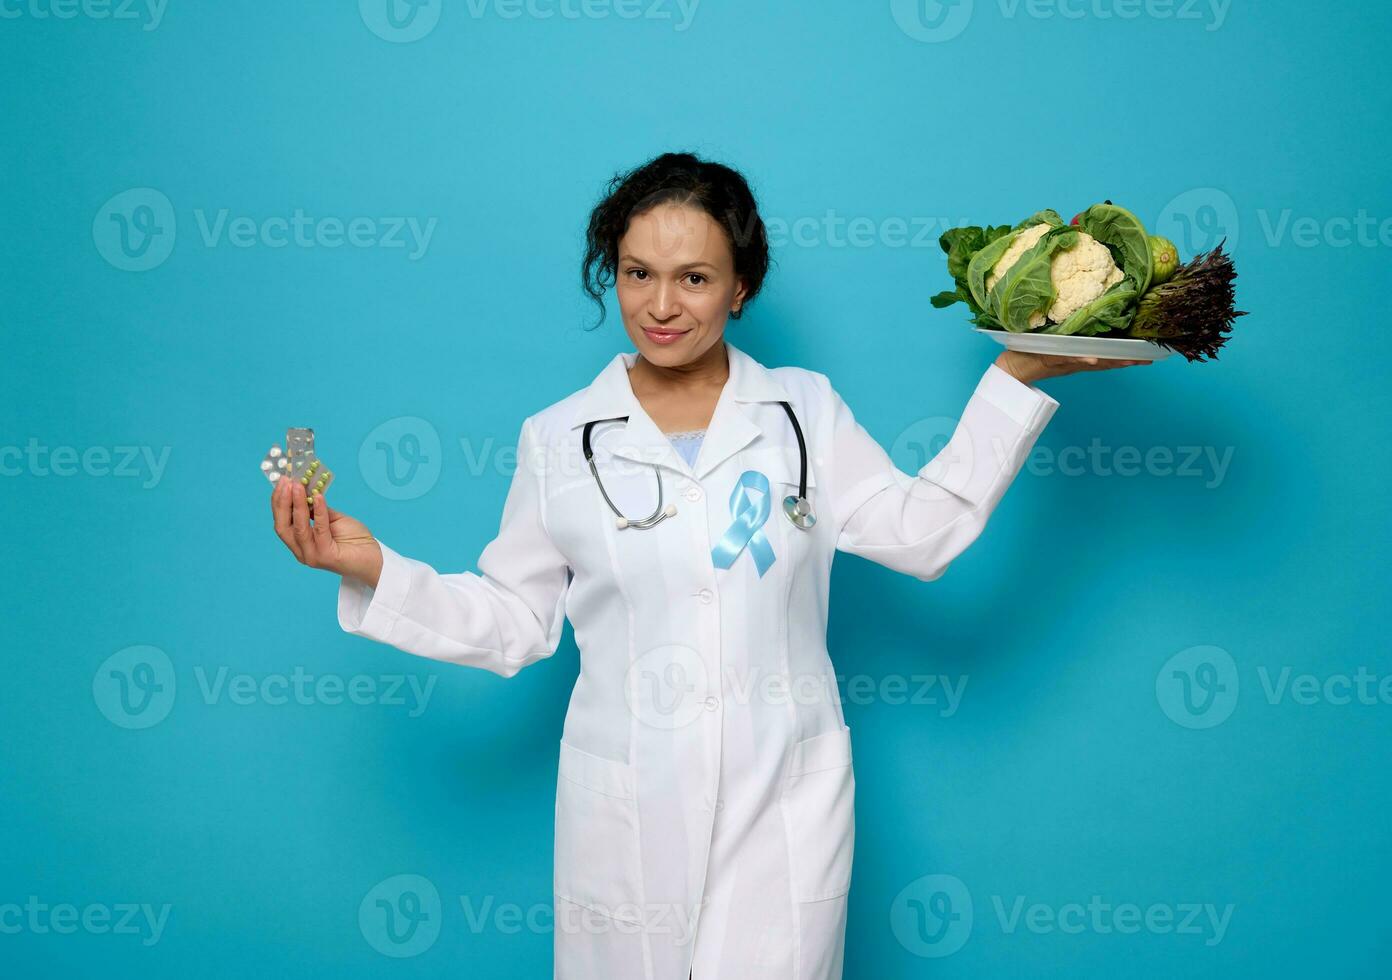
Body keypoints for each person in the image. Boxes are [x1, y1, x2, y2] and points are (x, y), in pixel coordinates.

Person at [269, 151, 1150, 979]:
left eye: (693, 277)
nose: (660, 304)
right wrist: (377, 568)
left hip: (782, 798)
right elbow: (514, 621)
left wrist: (1014, 377)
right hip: (627, 803)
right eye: (636, 273)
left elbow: (920, 537)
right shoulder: (558, 437)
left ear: (740, 286)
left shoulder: (802, 410)